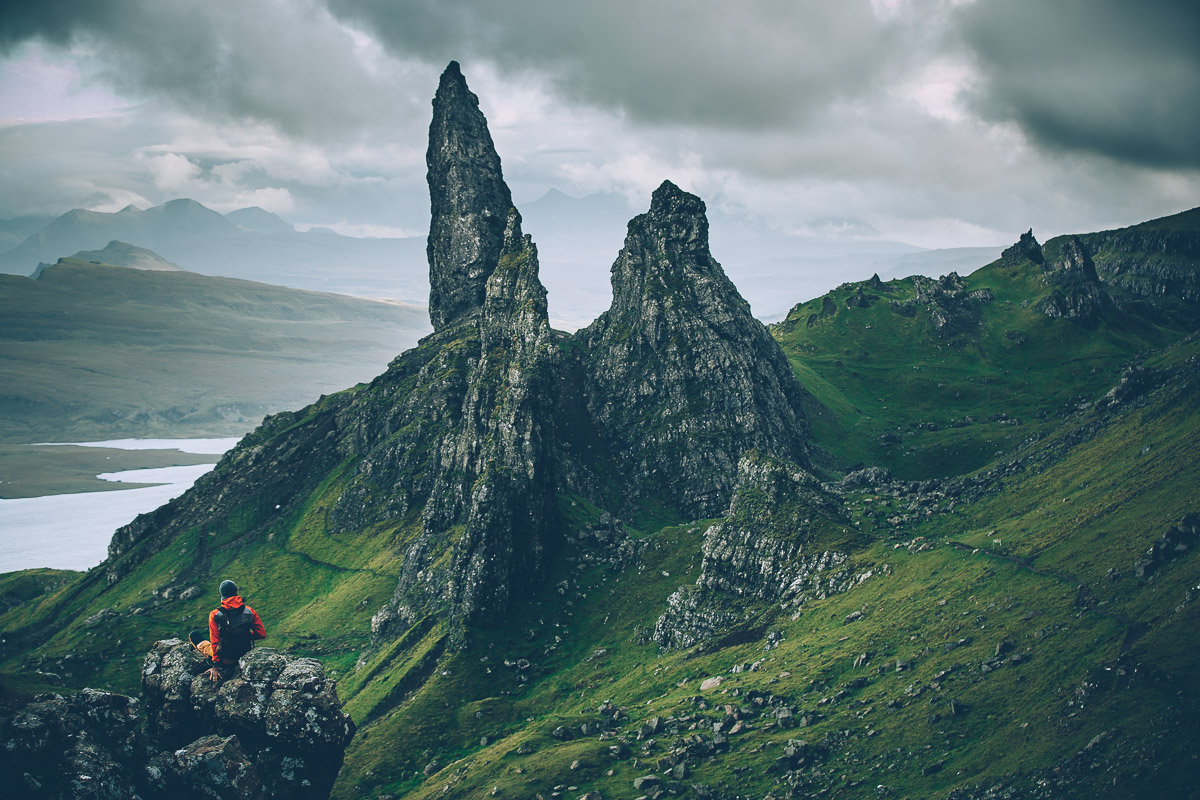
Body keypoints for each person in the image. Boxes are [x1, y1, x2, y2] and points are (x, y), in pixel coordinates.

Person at [205, 579, 266, 682]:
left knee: (196, 637)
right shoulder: (249, 611)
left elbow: (215, 641)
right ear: (236, 592)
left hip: (226, 660)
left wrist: (215, 665)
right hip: (244, 656)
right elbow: (261, 634)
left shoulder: (215, 615)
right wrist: (245, 635)